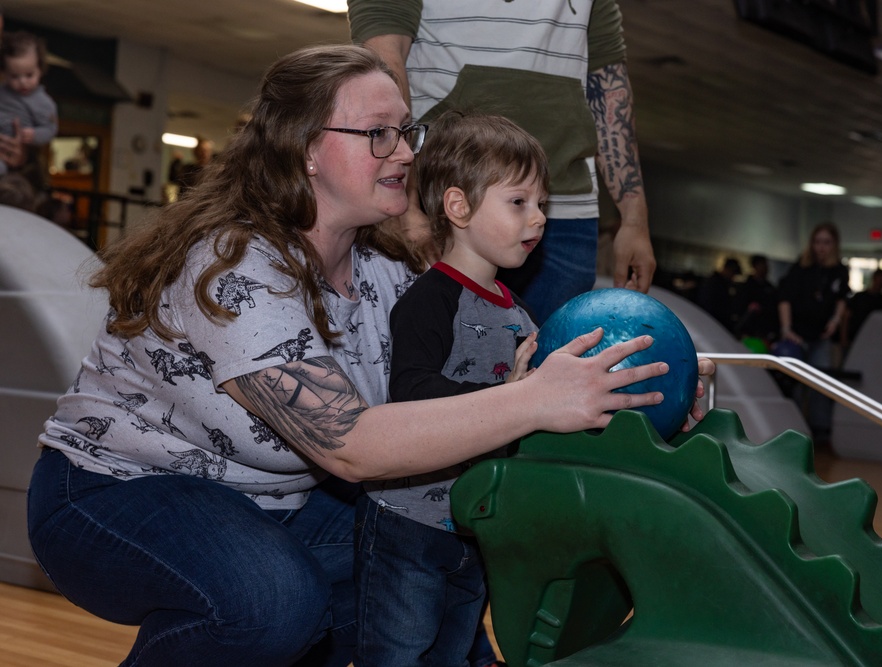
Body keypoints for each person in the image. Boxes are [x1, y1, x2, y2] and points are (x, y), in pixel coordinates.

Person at [25, 45, 712, 666]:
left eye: (406, 131)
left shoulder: (389, 274)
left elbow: (484, 394)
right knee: (271, 604)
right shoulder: (235, 268)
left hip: (276, 501)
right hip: (109, 491)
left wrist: (636, 392)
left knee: (422, 569)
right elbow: (352, 443)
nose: (407, 152)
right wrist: (535, 396)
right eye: (377, 134)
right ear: (304, 150)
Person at [353, 111, 545, 667]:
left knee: (453, 654)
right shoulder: (429, 300)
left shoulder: (521, 317)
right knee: (396, 654)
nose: (538, 219)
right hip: (405, 523)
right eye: (519, 202)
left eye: (541, 205)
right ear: (458, 207)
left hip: (475, 527)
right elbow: (412, 391)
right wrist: (509, 399)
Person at [347, 0, 657, 324]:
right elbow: (383, 59)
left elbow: (607, 83)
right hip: (449, 203)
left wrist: (634, 219)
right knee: (437, 359)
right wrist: (406, 203)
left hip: (566, 209)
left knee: (553, 363)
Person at [777, 222, 849, 444]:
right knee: (795, 384)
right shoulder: (800, 268)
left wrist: (835, 322)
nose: (821, 248)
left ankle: (821, 431)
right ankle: (794, 429)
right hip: (797, 337)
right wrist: (787, 328)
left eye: (826, 243)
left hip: (822, 337)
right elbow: (784, 299)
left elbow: (842, 300)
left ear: (834, 245)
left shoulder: (839, 271)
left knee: (820, 383)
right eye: (818, 242)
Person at [0, 30, 57, 187]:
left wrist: (34, 135)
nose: (23, 82)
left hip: (12, 151)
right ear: (4, 73)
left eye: (29, 75)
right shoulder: (2, 92)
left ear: (40, 70)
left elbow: (50, 129)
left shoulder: (43, 103)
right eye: (14, 76)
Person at [733, 254, 779, 346]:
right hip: (747, 331)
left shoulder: (770, 288)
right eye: (762, 265)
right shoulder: (746, 286)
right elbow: (738, 309)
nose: (765, 268)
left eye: (766, 266)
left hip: (765, 332)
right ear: (755, 266)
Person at [841, 267, 882, 350]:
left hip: (875, 342)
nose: (880, 284)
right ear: (874, 279)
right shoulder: (859, 297)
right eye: (879, 280)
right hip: (855, 339)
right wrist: (844, 338)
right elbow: (846, 317)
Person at [697, 257, 742, 333]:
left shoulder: (723, 284)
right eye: (733, 273)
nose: (733, 277)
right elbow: (709, 305)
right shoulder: (714, 283)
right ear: (727, 269)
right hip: (710, 324)